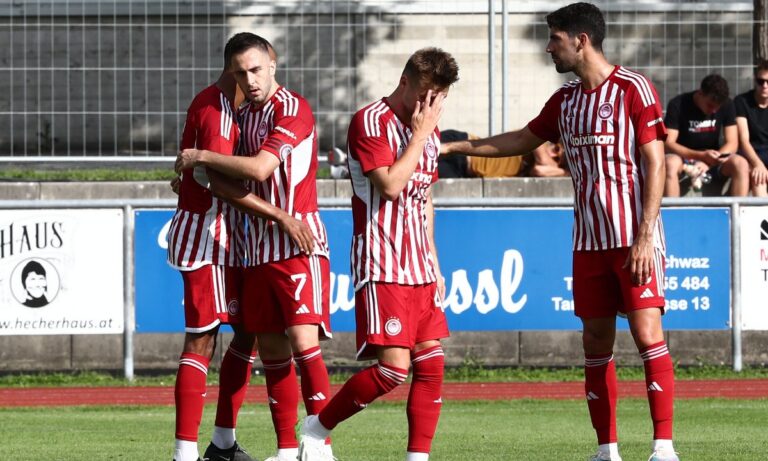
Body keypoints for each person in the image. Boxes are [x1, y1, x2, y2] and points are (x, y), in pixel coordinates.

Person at [441, 4, 678, 461]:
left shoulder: (633, 88)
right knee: (595, 343)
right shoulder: (565, 100)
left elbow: (655, 162)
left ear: (581, 40)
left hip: (633, 239)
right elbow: (519, 140)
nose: (549, 47)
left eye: (555, 38)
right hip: (588, 242)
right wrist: (452, 145)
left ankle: (663, 447)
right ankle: (607, 450)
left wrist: (646, 235)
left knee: (648, 335)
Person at [176, 33, 333, 461]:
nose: (251, 80)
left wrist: (199, 157)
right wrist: (196, 172)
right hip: (257, 247)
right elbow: (224, 180)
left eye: (257, 69)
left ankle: (320, 446)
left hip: (298, 241)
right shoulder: (242, 116)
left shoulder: (292, 108)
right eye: (242, 73)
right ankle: (285, 450)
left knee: (303, 343)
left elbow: (260, 169)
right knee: (271, 350)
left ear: (273, 64)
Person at [297, 47, 459, 461]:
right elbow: (389, 186)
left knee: (432, 364)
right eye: (425, 94)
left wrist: (435, 263)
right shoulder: (370, 121)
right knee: (393, 370)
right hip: (382, 260)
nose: (431, 105)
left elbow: (424, 198)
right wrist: (420, 135)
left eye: (439, 97)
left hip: (420, 266)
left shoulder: (429, 128)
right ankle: (316, 429)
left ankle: (417, 458)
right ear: (405, 82)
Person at [663, 74, 750, 196]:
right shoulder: (677, 104)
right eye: (710, 105)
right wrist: (700, 156)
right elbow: (668, 143)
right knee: (670, 163)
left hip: (713, 157)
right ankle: (673, 208)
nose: (714, 111)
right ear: (700, 93)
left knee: (741, 164)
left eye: (717, 107)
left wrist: (712, 160)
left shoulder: (727, 104)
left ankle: (738, 208)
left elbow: (732, 143)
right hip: (683, 157)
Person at [734, 60, 768, 197]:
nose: (765, 86)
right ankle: (763, 211)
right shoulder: (742, 101)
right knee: (758, 177)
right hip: (751, 153)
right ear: (755, 81)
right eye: (761, 81)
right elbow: (744, 140)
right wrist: (758, 164)